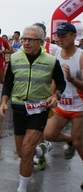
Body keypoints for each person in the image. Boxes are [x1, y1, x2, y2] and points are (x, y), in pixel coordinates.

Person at [0, 25, 65, 192]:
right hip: (19, 109)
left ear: (41, 42)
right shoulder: (14, 58)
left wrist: (55, 95)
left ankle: (22, 188)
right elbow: (8, 84)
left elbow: (61, 83)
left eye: (30, 40)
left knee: (27, 150)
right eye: (24, 39)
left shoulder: (51, 61)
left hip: (39, 109)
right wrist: (4, 102)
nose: (26, 43)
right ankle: (41, 151)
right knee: (22, 153)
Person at [43, 23, 83, 189]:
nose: (60, 39)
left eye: (64, 36)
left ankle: (75, 142)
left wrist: (72, 79)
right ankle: (71, 141)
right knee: (48, 134)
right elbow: (55, 79)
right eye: (58, 36)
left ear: (74, 36)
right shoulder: (56, 53)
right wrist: (53, 95)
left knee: (80, 142)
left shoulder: (80, 56)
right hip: (63, 105)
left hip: (80, 106)